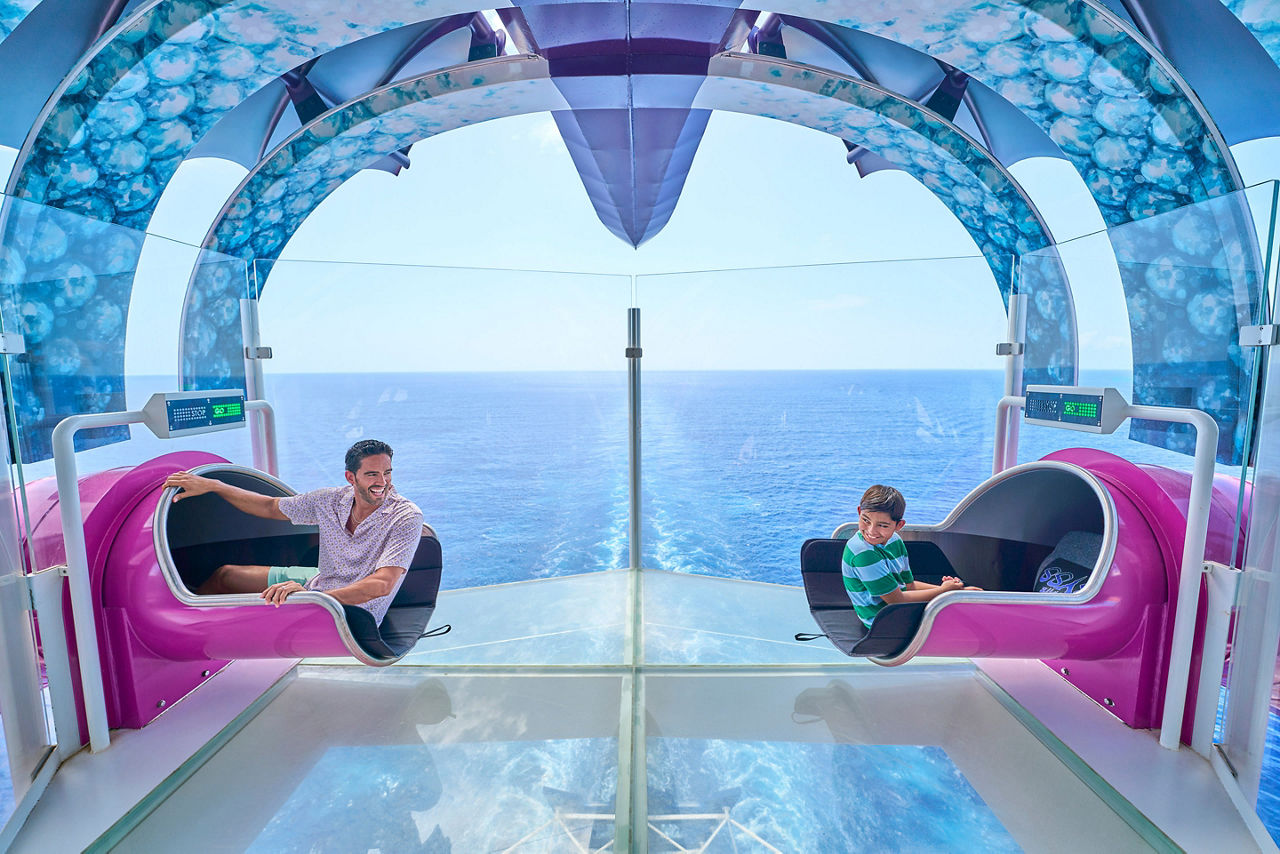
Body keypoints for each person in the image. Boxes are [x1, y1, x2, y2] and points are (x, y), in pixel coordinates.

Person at [163, 438, 424, 626]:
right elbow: (269, 506)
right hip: (319, 583)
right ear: (351, 477)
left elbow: (381, 585)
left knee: (266, 611)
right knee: (226, 575)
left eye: (387, 473)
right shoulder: (330, 501)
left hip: (352, 609)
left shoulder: (405, 517)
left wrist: (313, 598)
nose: (383, 482)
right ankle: (191, 628)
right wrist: (216, 486)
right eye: (372, 474)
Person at [842, 484, 980, 628]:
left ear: (899, 525)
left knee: (969, 608)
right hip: (882, 621)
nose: (871, 531)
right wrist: (944, 592)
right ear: (859, 512)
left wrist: (954, 591)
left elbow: (908, 585)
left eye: (882, 526)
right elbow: (896, 600)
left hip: (898, 609)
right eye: (866, 520)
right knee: (966, 620)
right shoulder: (863, 554)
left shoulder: (895, 541)